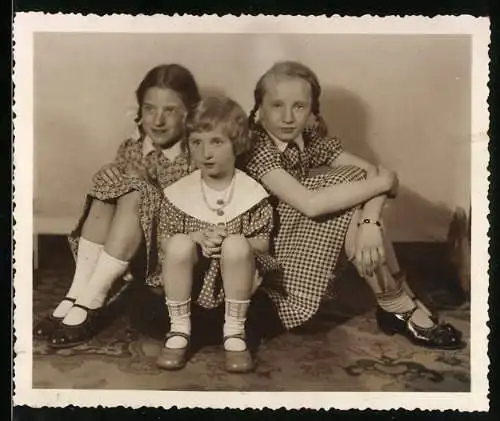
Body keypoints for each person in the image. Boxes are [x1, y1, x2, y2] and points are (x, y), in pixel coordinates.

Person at [243, 60, 463, 350]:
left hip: (293, 234)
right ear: (259, 109)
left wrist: (370, 223)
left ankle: (397, 304)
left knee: (355, 199)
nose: (287, 117)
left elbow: (378, 175)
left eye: (299, 106)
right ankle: (398, 302)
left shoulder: (307, 138)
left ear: (312, 112)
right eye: (276, 105)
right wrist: (376, 191)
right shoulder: (256, 147)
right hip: (259, 248)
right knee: (344, 188)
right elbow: (311, 204)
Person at [34, 64, 201, 348]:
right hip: (126, 251)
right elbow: (114, 202)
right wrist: (111, 173)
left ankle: (93, 300)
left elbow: (186, 214)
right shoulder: (132, 147)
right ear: (140, 110)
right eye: (149, 109)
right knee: (108, 184)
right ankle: (78, 293)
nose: (158, 120)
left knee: (137, 191)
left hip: (168, 253)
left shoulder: (194, 154)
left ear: (189, 114)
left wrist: (144, 185)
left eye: (170, 111)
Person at [156, 96, 280, 372]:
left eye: (216, 142)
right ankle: (178, 331)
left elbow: (261, 242)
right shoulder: (180, 192)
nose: (205, 153)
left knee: (236, 244)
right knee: (178, 243)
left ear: (236, 144)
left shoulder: (252, 193)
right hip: (189, 285)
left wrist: (228, 243)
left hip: (238, 289)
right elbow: (164, 240)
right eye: (196, 143)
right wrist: (196, 238)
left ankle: (234, 334)